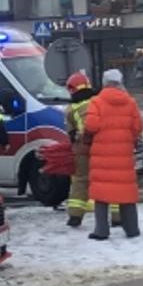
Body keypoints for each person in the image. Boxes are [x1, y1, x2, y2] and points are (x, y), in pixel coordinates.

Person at [82, 69, 143, 240]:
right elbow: (138, 127)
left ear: (104, 82)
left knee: (101, 193)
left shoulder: (96, 102)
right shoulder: (130, 102)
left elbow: (91, 125)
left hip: (101, 154)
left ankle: (101, 230)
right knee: (126, 191)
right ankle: (132, 228)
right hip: (124, 153)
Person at [62, 71, 96, 227]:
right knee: (107, 179)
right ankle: (116, 217)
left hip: (81, 148)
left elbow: (70, 133)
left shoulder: (71, 109)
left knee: (80, 180)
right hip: (100, 146)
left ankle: (75, 216)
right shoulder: (97, 102)